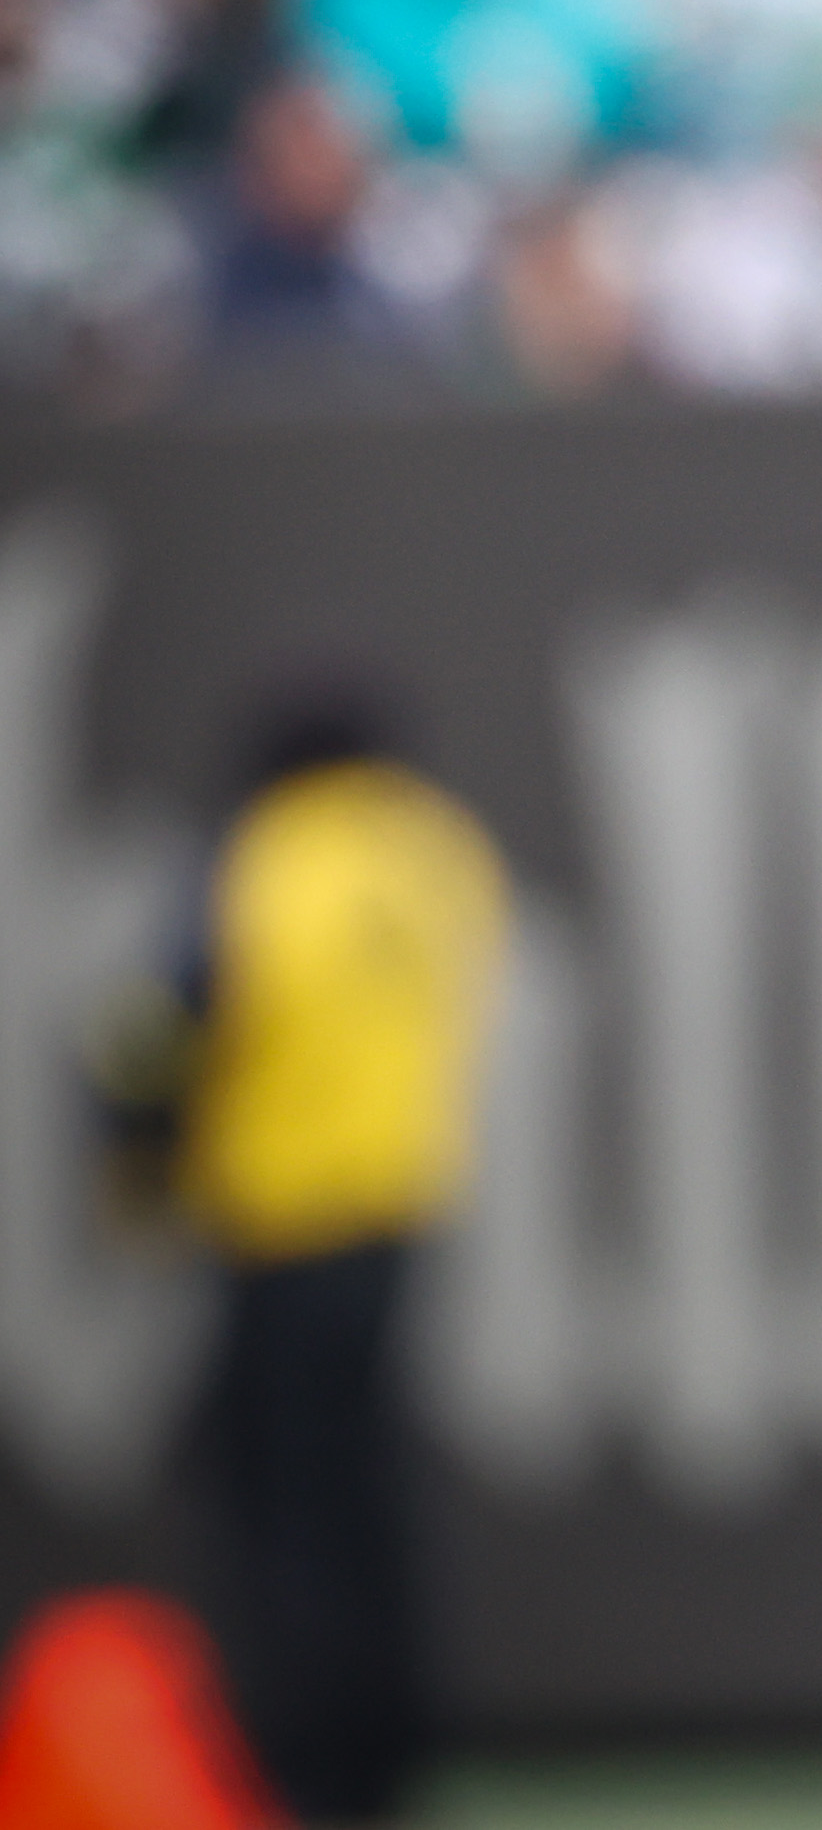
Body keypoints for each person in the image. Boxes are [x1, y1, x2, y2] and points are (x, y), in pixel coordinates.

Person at [99, 688, 507, 1826]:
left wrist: (135, 1160)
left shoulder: (265, 860)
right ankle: (390, 1756)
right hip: (395, 1219)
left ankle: (301, 1766)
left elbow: (155, 1029)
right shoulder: (438, 854)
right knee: (370, 1502)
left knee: (283, 1512)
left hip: (279, 1228)